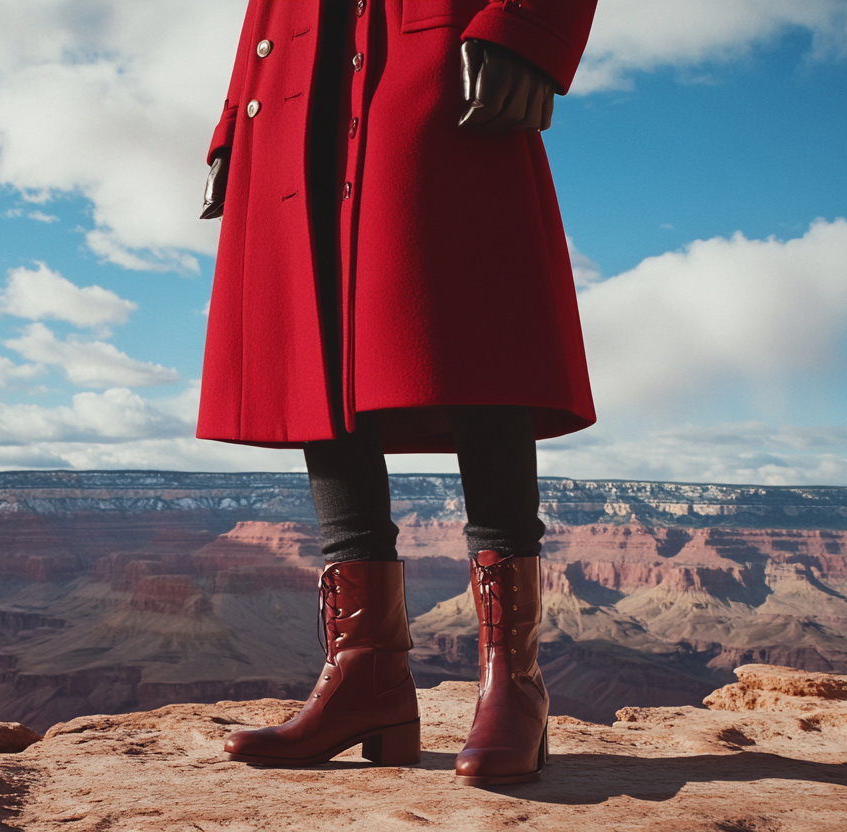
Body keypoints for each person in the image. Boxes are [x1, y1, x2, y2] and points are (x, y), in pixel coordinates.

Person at [196, 0, 599, 786]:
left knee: (475, 325)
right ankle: (366, 679)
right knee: (319, 347)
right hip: (294, 79)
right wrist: (232, 123)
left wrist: (529, 28)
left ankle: (513, 684)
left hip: (441, 53)